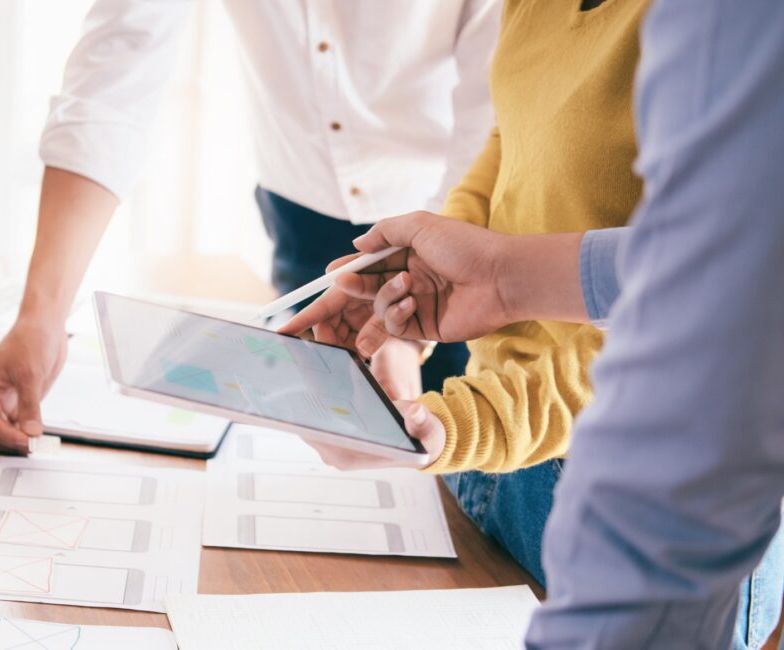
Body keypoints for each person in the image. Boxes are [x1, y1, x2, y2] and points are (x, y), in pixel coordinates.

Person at [279, 0, 784, 646]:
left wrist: (467, 423)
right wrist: (419, 276)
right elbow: (513, 133)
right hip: (498, 468)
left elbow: (708, 317)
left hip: (614, 480)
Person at [0, 0, 500, 453]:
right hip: (304, 233)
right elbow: (110, 85)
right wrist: (41, 316)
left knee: (456, 459)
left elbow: (493, 118)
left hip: (463, 231)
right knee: (317, 467)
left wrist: (406, 318)